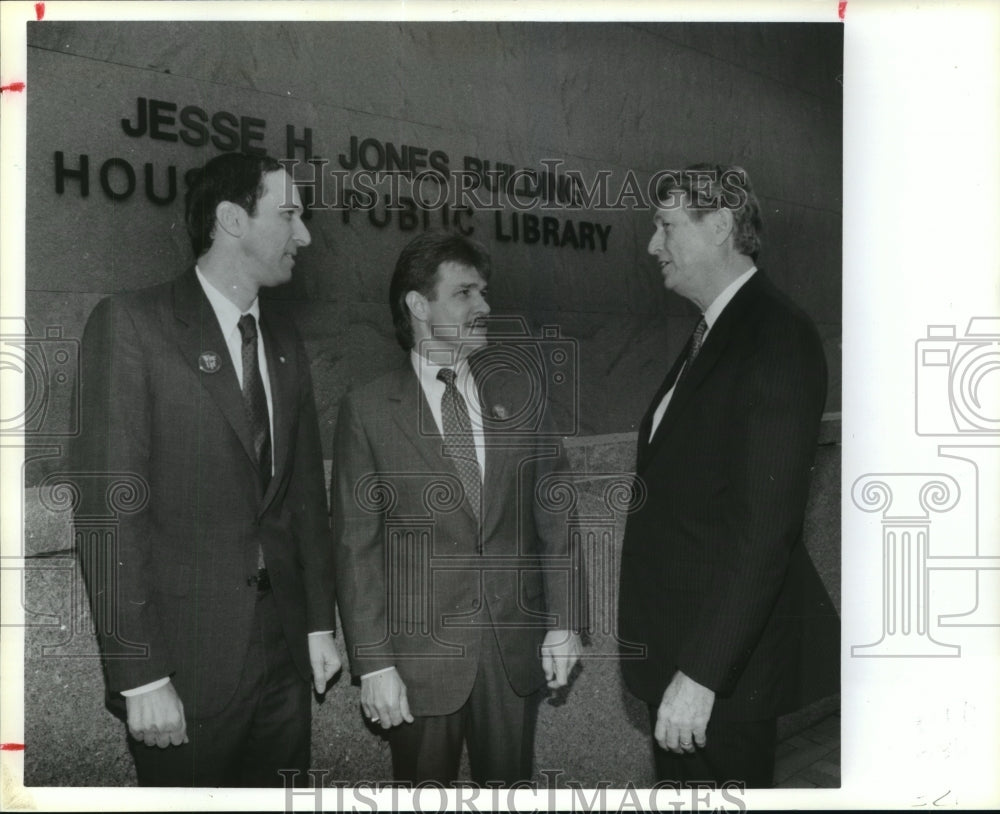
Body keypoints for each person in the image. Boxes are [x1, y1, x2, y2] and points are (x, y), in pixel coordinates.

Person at [73, 152, 341, 787]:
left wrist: (317, 624)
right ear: (231, 219)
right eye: (290, 214)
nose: (304, 235)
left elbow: (303, 498)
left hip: (285, 667)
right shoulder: (132, 325)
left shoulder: (283, 343)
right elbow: (109, 514)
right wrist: (140, 674)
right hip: (184, 674)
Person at [330, 231, 581, 785]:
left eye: (484, 292)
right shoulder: (368, 410)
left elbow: (556, 520)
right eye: (465, 293)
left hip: (511, 651)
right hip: (419, 660)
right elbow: (356, 548)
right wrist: (374, 664)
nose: (484, 306)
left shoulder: (521, 395)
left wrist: (564, 623)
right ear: (418, 306)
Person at [618, 164, 833, 788]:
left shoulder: (775, 335)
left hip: (719, 673)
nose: (652, 246)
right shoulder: (713, 333)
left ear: (718, 226)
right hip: (683, 657)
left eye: (664, 226)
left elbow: (766, 529)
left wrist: (704, 673)